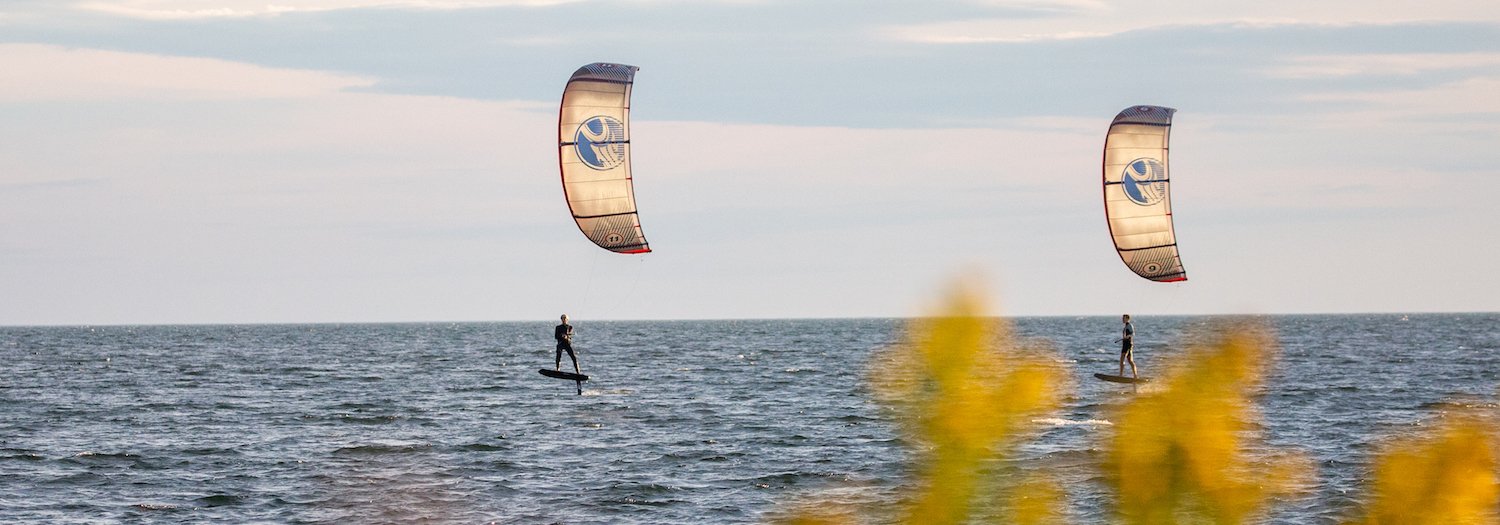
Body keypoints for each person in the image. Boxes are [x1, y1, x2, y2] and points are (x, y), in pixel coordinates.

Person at [1118, 314, 1138, 378]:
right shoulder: (1126, 326)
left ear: (1127, 319)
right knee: (1130, 360)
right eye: (1122, 318)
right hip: (1126, 344)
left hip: (1128, 344)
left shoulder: (1129, 325)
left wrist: (1127, 336)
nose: (1122, 319)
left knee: (1122, 360)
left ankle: (1121, 375)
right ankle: (1135, 376)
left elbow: (1133, 333)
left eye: (1124, 318)